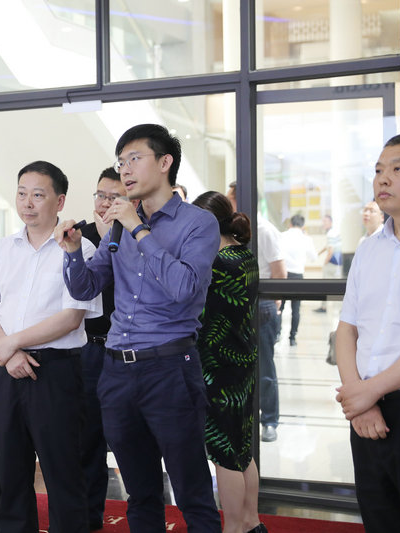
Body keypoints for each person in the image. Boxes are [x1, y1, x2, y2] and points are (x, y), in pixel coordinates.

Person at [58, 124, 221, 533]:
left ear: (165, 163)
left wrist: (138, 229)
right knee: (140, 492)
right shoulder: (119, 223)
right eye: (121, 161)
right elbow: (85, 288)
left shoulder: (198, 223)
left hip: (169, 368)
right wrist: (74, 252)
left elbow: (185, 288)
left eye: (135, 158)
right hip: (116, 371)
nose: (125, 169)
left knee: (191, 491)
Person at [0, 160, 101, 533]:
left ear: (59, 201)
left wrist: (11, 343)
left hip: (55, 371)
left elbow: (71, 317)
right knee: (9, 470)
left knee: (63, 471)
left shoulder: (80, 248)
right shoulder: (2, 249)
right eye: (22, 193)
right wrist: (9, 353)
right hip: (5, 370)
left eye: (38, 195)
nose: (27, 203)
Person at [335, 132, 400, 532]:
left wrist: (368, 391)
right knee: (379, 519)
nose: (383, 179)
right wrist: (360, 398)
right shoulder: (369, 248)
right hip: (366, 413)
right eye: (378, 170)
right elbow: (347, 328)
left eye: (398, 168)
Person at [192, 191, 265, 533]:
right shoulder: (244, 256)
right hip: (241, 358)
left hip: (218, 365)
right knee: (241, 447)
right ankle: (251, 521)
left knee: (224, 452)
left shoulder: (217, 263)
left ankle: (234, 527)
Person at [79, 166, 126, 530]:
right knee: (86, 439)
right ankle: (89, 516)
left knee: (128, 438)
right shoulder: (76, 237)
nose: (105, 203)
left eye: (114, 197)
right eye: (101, 195)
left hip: (125, 354)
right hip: (86, 351)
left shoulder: (136, 237)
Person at [227, 182, 287, 442]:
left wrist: (274, 304)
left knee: (264, 369)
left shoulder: (265, 230)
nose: (227, 204)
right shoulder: (232, 230)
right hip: (237, 304)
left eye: (230, 199)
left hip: (261, 306)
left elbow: (279, 272)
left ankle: (269, 421)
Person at [280, 214, 317, 346]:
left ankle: (277, 334)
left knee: (280, 307)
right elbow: (314, 257)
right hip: (298, 276)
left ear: (290, 224)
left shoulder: (282, 235)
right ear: (303, 226)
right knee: (296, 309)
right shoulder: (306, 239)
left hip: (284, 274)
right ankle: (292, 338)